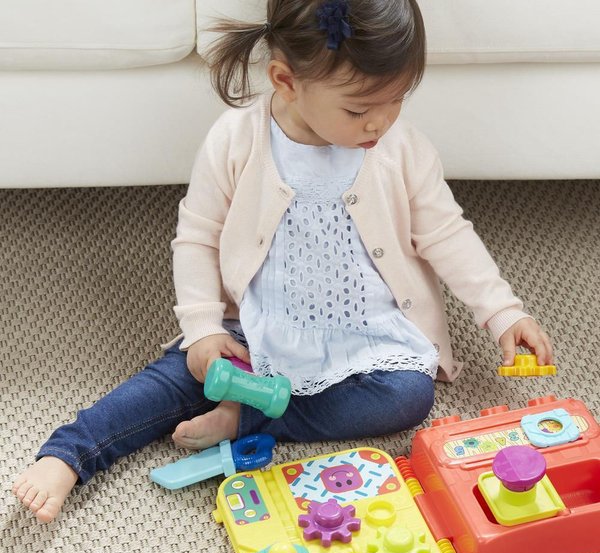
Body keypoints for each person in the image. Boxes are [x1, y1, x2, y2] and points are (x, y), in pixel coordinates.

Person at [13, 0, 553, 524]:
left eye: (398, 100)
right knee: (174, 379)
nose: (381, 123)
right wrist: (202, 329)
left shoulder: (403, 148)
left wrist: (502, 311)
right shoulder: (236, 140)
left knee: (408, 396)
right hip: (254, 327)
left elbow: (447, 234)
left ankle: (248, 415)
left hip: (365, 332)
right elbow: (197, 238)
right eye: (359, 109)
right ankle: (70, 453)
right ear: (286, 81)